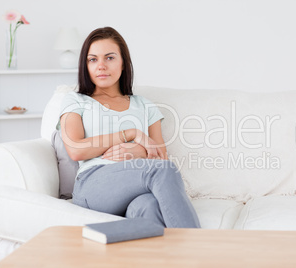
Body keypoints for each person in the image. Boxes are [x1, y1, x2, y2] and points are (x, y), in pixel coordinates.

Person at [58, 26, 200, 228]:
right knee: (161, 171)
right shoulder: (75, 100)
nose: (101, 66)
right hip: (93, 184)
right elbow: (75, 149)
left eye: (109, 58)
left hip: (135, 187)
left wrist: (139, 150)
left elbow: (161, 157)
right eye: (93, 59)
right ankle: (200, 249)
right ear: (85, 65)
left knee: (149, 205)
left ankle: (158, 259)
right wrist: (131, 134)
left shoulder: (144, 105)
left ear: (123, 63)